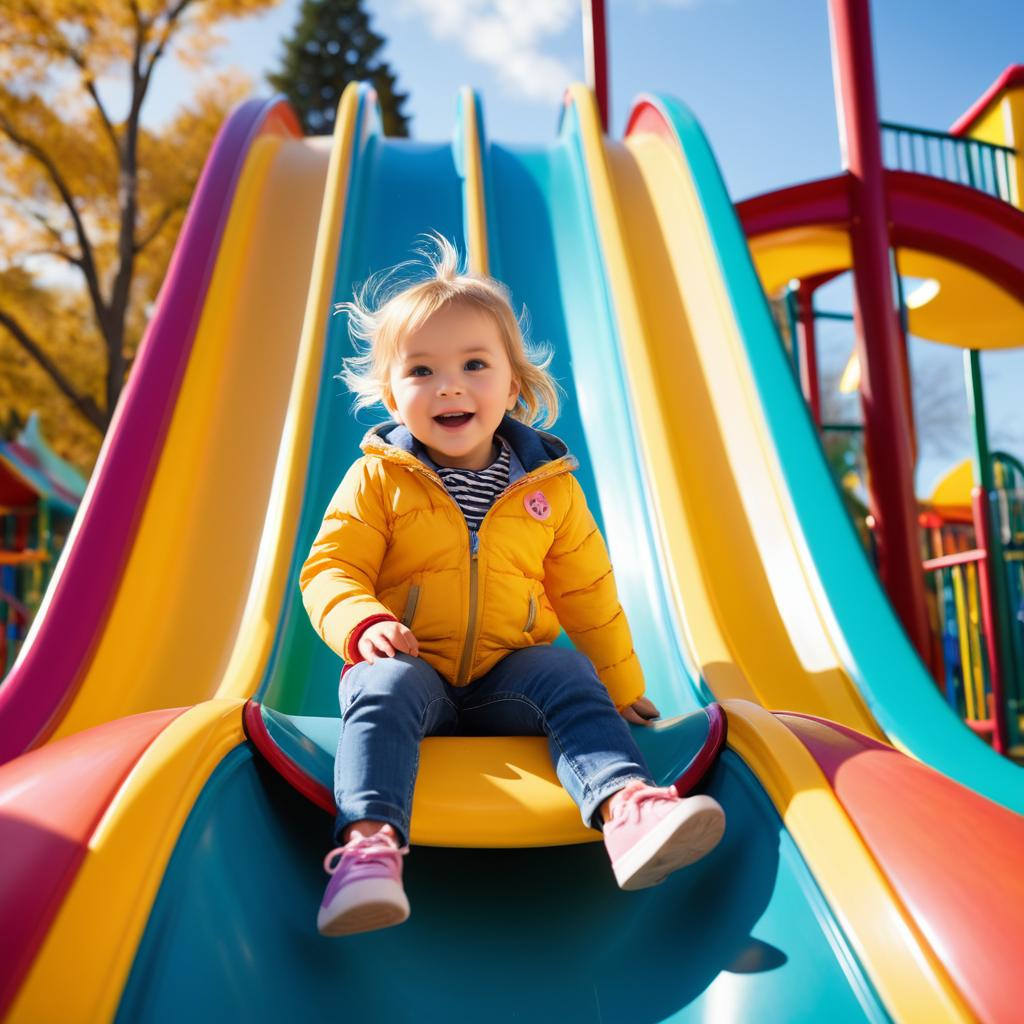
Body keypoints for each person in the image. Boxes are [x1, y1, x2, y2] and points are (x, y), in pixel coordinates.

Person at [299, 235, 726, 938]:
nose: (450, 385)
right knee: (376, 687)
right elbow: (330, 568)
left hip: (506, 674)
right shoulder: (377, 479)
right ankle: (368, 847)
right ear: (391, 394)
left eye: (474, 364)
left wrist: (621, 688)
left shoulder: (548, 491)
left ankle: (627, 812)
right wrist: (361, 621)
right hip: (415, 669)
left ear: (514, 383)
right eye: (422, 370)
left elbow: (588, 590)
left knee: (563, 671)